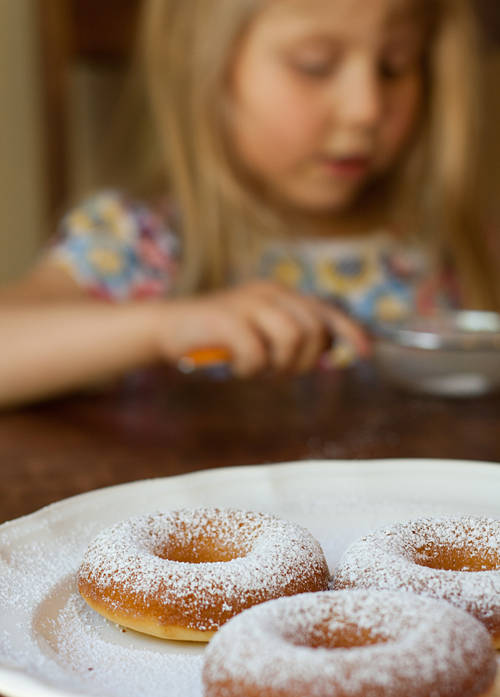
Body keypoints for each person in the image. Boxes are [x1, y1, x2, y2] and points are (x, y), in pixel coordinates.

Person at [0, 0, 497, 407]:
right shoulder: (137, 243)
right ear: (202, 62)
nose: (366, 107)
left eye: (395, 65)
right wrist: (164, 327)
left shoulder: (464, 243)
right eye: (315, 66)